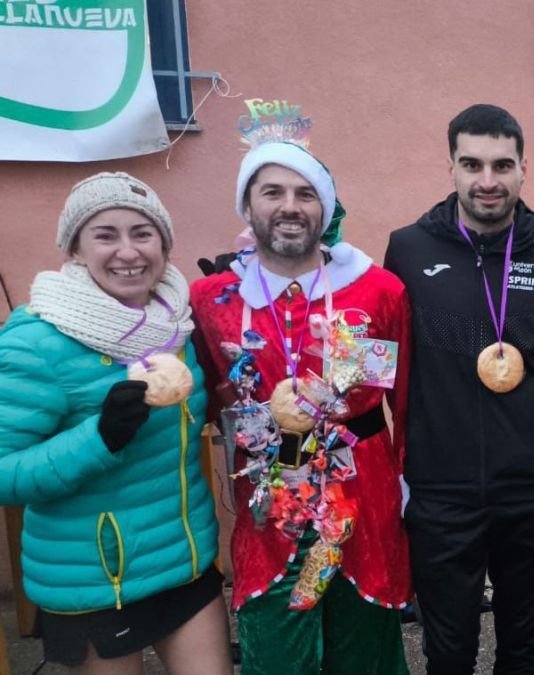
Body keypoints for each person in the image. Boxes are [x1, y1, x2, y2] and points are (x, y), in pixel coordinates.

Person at [382, 103, 534, 675]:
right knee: (448, 652)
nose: (487, 181)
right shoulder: (408, 250)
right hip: (440, 491)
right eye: (472, 164)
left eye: (502, 165)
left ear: (523, 169)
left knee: (522, 650)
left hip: (531, 491)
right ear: (451, 167)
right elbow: (383, 353)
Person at [190, 133, 412, 674]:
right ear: (248, 206)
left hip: (364, 497)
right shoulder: (211, 300)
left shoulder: (379, 292)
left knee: (365, 647)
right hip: (271, 507)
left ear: (325, 208)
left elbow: (404, 400)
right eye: (272, 192)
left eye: (305, 194)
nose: (289, 207)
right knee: (276, 645)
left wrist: (409, 489)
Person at [0, 172, 230, 674]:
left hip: (184, 563)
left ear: (164, 245)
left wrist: (241, 296)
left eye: (143, 233)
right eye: (106, 234)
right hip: (96, 580)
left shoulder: (178, 324)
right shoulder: (37, 340)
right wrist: (98, 438)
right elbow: (4, 474)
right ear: (76, 249)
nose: (128, 251)